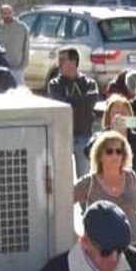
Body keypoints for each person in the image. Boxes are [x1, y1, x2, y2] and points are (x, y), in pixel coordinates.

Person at [75, 129, 136, 243]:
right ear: (100, 156)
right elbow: (65, 201)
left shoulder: (131, 177)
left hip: (132, 244)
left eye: (119, 151)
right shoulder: (89, 182)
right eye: (109, 151)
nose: (115, 155)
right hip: (101, 250)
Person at [47, 46, 101, 176]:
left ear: (73, 62)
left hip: (84, 136)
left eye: (62, 60)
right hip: (63, 136)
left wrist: (71, 101)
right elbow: (60, 103)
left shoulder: (89, 83)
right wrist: (80, 102)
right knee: (63, 177)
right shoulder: (55, 84)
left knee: (85, 176)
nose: (59, 64)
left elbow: (91, 100)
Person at [0, 4, 30, 85]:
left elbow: (26, 47)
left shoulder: (22, 28)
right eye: (5, 13)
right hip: (2, 68)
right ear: (1, 15)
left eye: (9, 12)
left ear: (13, 13)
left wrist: (23, 64)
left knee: (19, 93)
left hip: (18, 68)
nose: (7, 15)